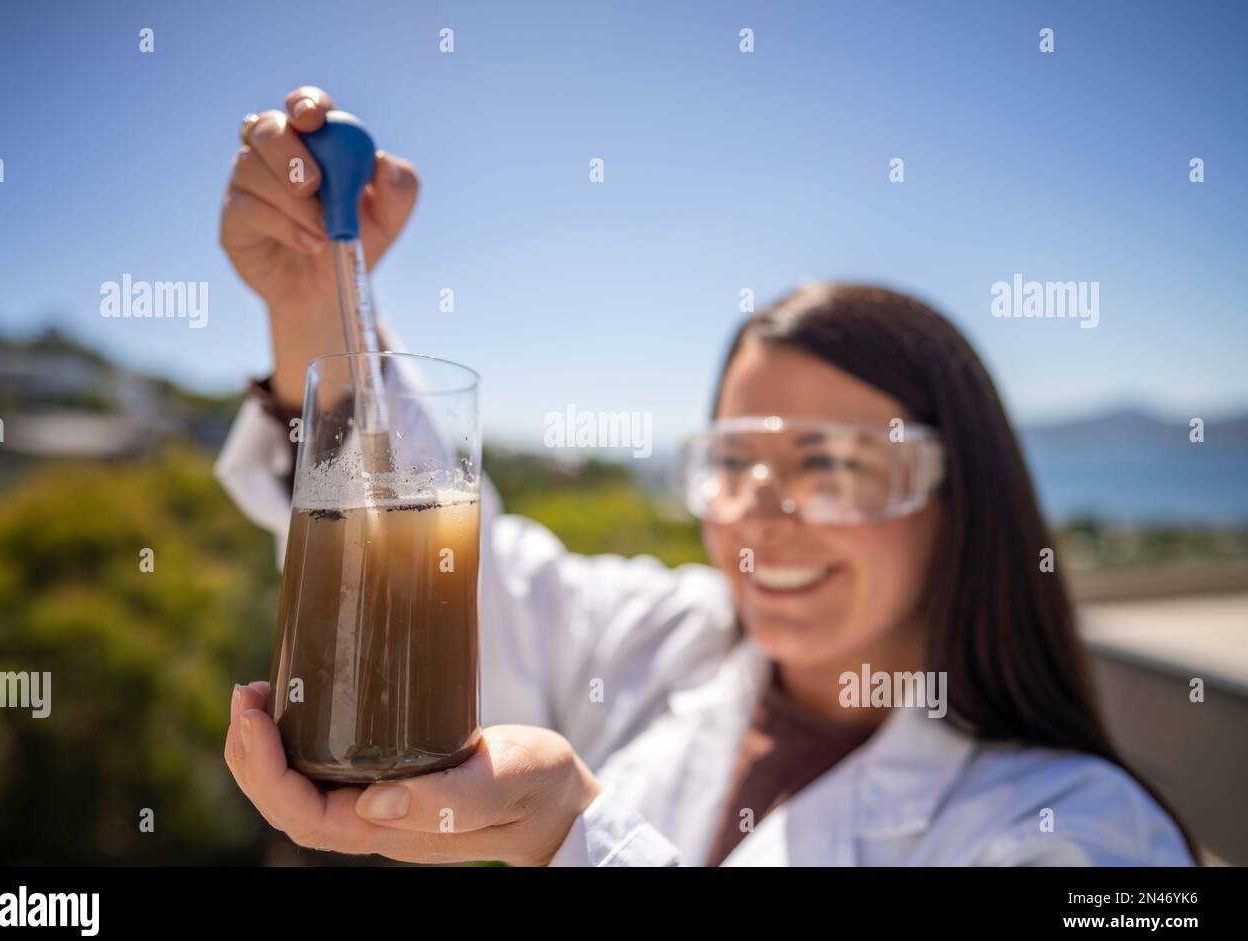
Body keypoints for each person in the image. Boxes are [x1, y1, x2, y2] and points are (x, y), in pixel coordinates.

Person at [217, 86, 1195, 867]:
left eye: (836, 466)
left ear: (959, 494)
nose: (761, 517)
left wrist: (574, 835)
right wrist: (317, 303)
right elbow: (436, 578)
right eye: (732, 461)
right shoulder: (678, 646)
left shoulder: (1077, 831)